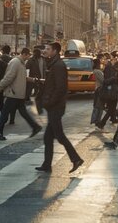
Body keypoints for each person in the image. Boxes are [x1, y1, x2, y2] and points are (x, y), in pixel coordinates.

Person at [36, 42, 84, 173]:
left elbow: (61, 87)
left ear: (55, 51)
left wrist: (50, 102)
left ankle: (76, 159)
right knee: (48, 137)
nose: (45, 50)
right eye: (45, 48)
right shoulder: (53, 64)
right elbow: (52, 84)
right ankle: (47, 164)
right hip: (54, 106)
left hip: (56, 107)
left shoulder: (58, 66)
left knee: (60, 135)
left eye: (47, 48)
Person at [0, 48, 42, 141]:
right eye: (28, 55)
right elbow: (9, 77)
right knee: (21, 112)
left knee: (4, 114)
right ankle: (35, 127)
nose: (29, 57)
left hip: (14, 93)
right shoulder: (16, 62)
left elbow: (15, 77)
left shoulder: (19, 63)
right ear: (24, 54)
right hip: (15, 93)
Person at [25, 48, 46, 114]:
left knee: (40, 94)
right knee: (28, 92)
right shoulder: (31, 60)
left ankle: (40, 108)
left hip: (42, 79)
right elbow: (26, 67)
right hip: (33, 79)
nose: (35, 54)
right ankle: (25, 104)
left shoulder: (44, 59)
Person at [90, 58, 105, 125]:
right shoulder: (98, 72)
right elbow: (103, 81)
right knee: (99, 106)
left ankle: (96, 119)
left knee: (98, 105)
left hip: (98, 89)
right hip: (100, 89)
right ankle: (96, 120)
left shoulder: (95, 71)